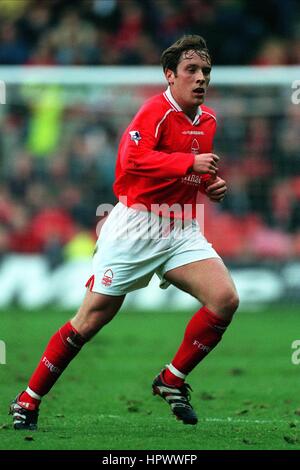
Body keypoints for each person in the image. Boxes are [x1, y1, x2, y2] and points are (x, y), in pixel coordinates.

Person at [10, 35, 239, 429]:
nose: (201, 78)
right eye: (191, 71)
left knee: (225, 299)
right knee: (89, 321)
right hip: (135, 227)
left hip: (181, 227)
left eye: (205, 72)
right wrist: (190, 163)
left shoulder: (209, 121)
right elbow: (132, 160)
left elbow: (190, 173)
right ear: (170, 76)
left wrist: (210, 186)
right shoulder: (155, 111)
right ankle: (28, 399)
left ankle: (171, 380)